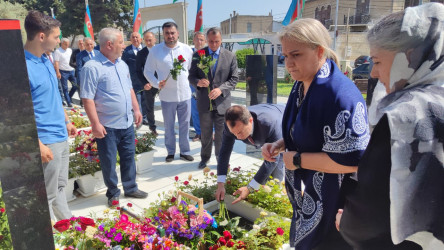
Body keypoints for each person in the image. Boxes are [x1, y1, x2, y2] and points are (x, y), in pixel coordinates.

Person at [337, 3, 444, 249]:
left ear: (408, 56)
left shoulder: (405, 115)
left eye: (377, 61)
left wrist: (346, 222)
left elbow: (371, 208)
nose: (373, 73)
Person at [261, 18, 370, 250]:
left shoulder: (340, 95)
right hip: (311, 196)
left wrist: (297, 160)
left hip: (335, 206)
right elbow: (310, 131)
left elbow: (354, 161)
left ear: (319, 51)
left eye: (296, 55)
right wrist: (281, 144)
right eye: (285, 56)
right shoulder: (302, 83)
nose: (288, 63)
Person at [80, 27, 148, 207]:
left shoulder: (122, 64)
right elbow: (87, 98)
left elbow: (130, 89)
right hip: (107, 125)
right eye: (120, 42)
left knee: (128, 157)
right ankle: (113, 192)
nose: (124, 45)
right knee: (109, 161)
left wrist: (137, 109)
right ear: (109, 44)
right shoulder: (92, 67)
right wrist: (95, 124)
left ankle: (131, 187)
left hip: (126, 122)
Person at [24, 10, 77, 221]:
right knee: (45, 196)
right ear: (42, 36)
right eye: (56, 37)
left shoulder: (45, 59)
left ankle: (70, 228)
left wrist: (66, 120)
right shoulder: (22, 67)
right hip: (46, 141)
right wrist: (37, 143)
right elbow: (18, 115)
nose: (59, 41)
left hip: (60, 136)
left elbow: (54, 95)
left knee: (60, 187)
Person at [144, 22, 194, 163]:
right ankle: (170, 152)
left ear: (177, 33)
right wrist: (155, 83)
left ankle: (185, 151)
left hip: (184, 95)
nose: (170, 36)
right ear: (163, 34)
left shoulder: (187, 50)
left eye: (172, 33)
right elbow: (147, 71)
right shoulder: (156, 51)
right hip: (167, 96)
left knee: (185, 125)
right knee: (169, 126)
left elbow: (189, 69)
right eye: (167, 33)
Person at [189, 27, 238, 169]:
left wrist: (220, 89)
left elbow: (234, 79)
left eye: (217, 41)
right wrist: (198, 82)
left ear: (221, 40)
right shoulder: (199, 55)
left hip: (222, 103)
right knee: (205, 133)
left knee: (223, 135)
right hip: (204, 102)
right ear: (206, 40)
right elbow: (191, 76)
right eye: (210, 41)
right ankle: (205, 158)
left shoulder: (230, 56)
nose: (214, 44)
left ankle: (221, 159)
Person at [215, 104, 285, 204]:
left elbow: (272, 161)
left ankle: (274, 200)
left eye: (240, 132)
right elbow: (224, 152)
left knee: (276, 173)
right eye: (234, 133)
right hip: (264, 123)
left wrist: (250, 188)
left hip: (284, 121)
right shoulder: (230, 125)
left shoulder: (269, 124)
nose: (238, 137)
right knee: (263, 177)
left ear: (250, 121)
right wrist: (220, 184)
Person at [122, 32, 148, 126]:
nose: (135, 39)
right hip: (133, 80)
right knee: (137, 100)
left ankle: (145, 118)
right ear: (130, 39)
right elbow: (123, 65)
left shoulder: (146, 49)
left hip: (145, 79)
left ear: (141, 39)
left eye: (137, 37)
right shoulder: (126, 51)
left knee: (145, 100)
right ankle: (139, 118)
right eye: (133, 37)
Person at [136, 31, 158, 135]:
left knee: (168, 105)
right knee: (150, 106)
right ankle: (152, 127)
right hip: (149, 84)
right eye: (146, 40)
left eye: (150, 40)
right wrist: (144, 83)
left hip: (163, 82)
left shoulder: (161, 50)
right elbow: (138, 70)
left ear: (155, 39)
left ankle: (169, 127)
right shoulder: (141, 53)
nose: (148, 42)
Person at [190, 31, 206, 142]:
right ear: (193, 40)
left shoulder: (208, 53)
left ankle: (212, 131)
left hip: (206, 85)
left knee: (208, 110)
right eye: (197, 39)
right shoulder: (188, 53)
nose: (199, 41)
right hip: (192, 85)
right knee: (195, 110)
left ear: (205, 41)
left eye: (201, 39)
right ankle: (198, 132)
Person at [54, 37, 76, 107]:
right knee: (65, 88)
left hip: (71, 71)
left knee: (75, 86)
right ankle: (69, 102)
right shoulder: (58, 51)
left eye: (68, 44)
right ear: (62, 43)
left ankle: (68, 97)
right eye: (65, 44)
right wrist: (58, 72)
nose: (67, 46)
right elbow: (56, 63)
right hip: (63, 72)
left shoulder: (70, 50)